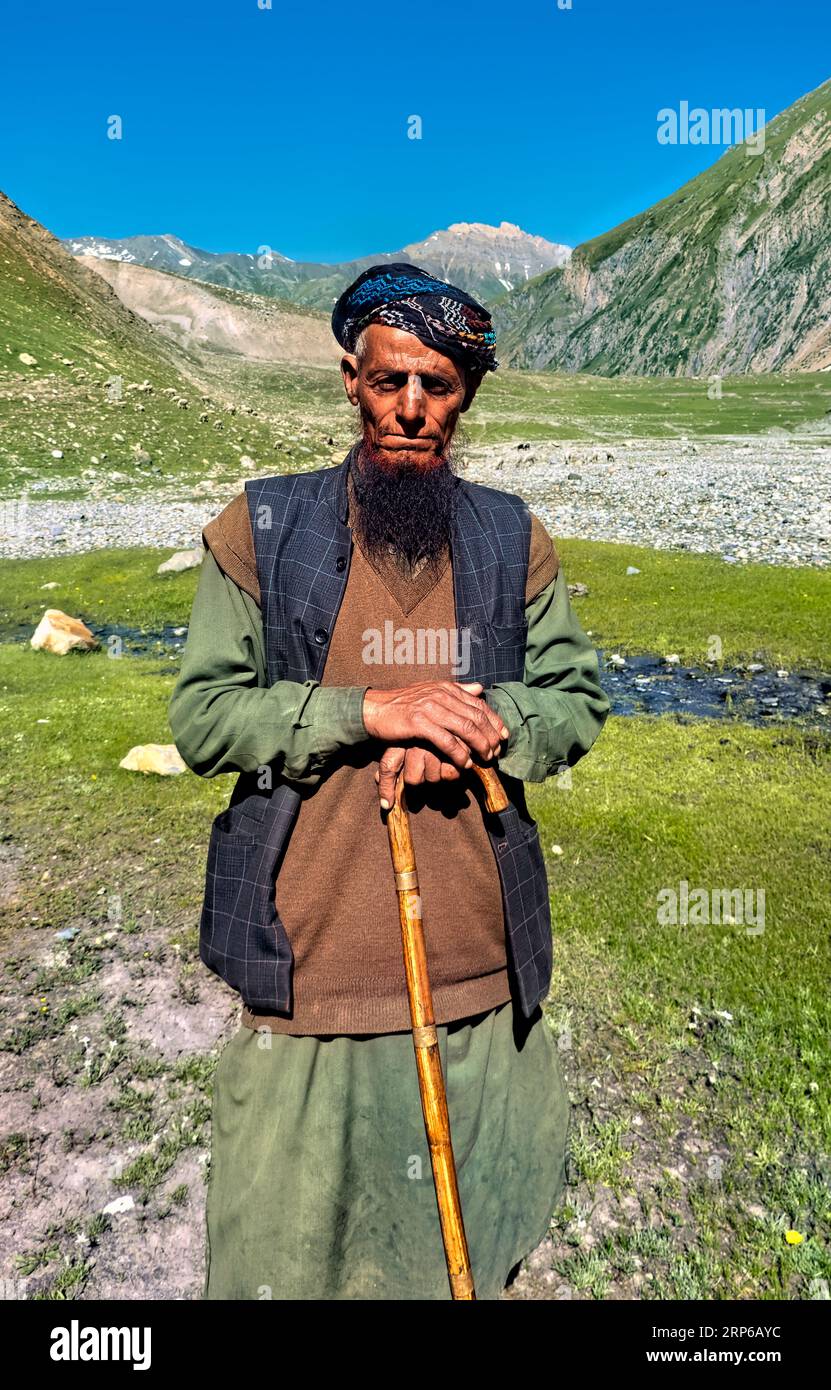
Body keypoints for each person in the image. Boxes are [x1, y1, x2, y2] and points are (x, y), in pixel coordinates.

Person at [168, 262, 610, 1300]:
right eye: (388, 381)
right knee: (289, 1263)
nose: (411, 408)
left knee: (460, 1249)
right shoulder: (263, 529)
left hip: (476, 977)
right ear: (349, 381)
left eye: (439, 385)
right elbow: (202, 716)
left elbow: (578, 699)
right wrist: (366, 712)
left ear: (467, 397)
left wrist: (481, 723)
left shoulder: (510, 536)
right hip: (307, 977)